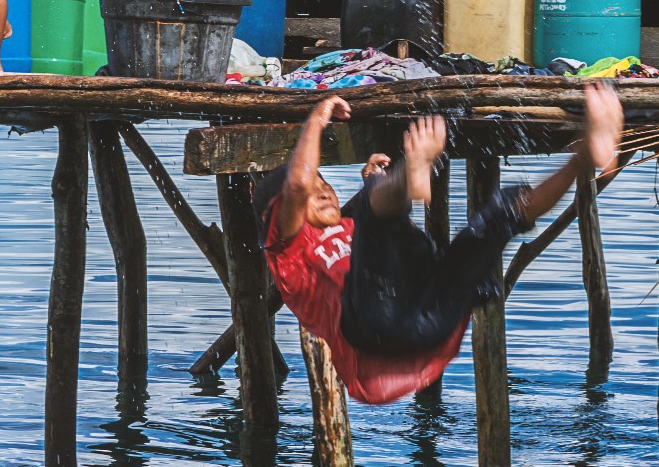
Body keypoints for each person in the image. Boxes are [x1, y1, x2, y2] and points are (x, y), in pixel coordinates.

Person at [256, 84, 624, 405]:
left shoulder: (349, 227)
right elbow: (298, 186)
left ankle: (584, 158)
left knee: (496, 218)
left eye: (326, 184)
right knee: (375, 210)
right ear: (279, 218)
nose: (321, 192)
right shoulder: (288, 249)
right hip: (374, 328)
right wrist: (316, 119)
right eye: (312, 191)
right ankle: (408, 176)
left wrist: (377, 181)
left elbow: (386, 239)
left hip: (432, 322)